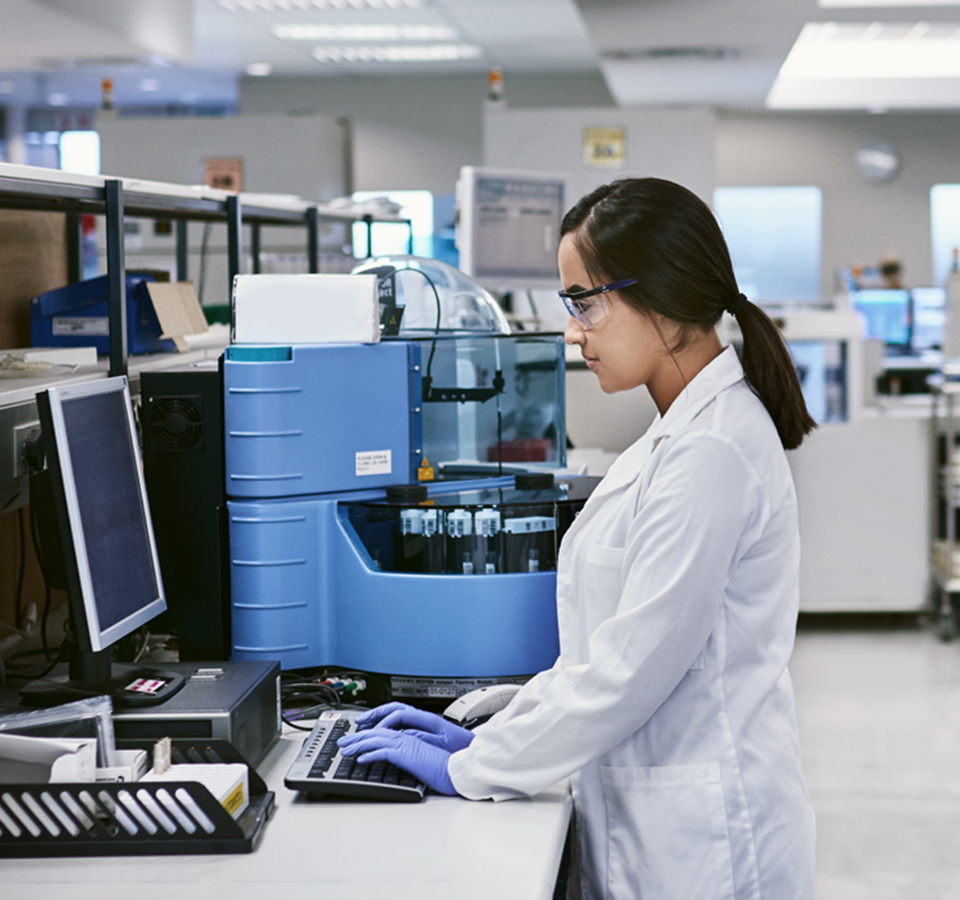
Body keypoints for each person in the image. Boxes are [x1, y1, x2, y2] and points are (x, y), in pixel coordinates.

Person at [338, 177, 817, 900]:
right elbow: (609, 653)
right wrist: (491, 735)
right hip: (654, 811)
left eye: (584, 302)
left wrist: (472, 768)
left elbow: (627, 674)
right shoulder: (680, 431)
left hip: (703, 840)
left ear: (663, 293)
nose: (572, 331)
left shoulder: (710, 453)